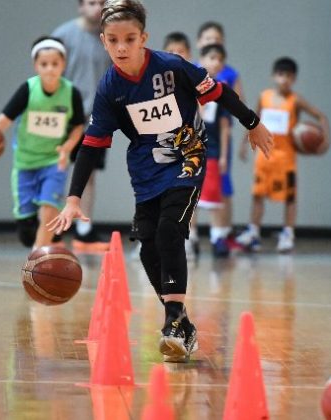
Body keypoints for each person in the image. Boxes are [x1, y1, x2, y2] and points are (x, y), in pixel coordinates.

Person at [47, 0, 273, 362]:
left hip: (188, 159)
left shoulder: (171, 66)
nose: (122, 47)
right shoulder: (109, 89)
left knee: (170, 230)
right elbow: (90, 146)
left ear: (143, 39)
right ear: (104, 41)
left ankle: (171, 322)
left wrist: (253, 123)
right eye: (113, 40)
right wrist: (73, 198)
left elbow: (219, 92)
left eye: (130, 39)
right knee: (149, 246)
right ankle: (182, 323)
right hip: (146, 170)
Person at [0, 36, 85, 250]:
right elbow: (2, 122)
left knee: (49, 206)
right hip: (25, 161)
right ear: (36, 66)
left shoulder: (71, 93)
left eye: (55, 64)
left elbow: (78, 126)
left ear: (64, 64)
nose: (50, 69)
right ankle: (38, 237)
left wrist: (67, 148)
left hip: (54, 160)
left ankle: (37, 257)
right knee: (26, 230)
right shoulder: (27, 90)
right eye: (44, 64)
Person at [236, 57, 330, 253]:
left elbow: (321, 116)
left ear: (293, 79)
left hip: (286, 158)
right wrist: (244, 143)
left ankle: (288, 234)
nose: (284, 79)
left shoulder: (295, 100)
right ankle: (253, 231)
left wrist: (325, 141)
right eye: (280, 75)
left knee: (289, 198)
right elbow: (253, 120)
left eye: (288, 76)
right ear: (273, 76)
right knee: (257, 195)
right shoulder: (265, 96)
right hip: (264, 155)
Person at [52, 0, 112, 252]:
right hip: (63, 117)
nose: (96, 7)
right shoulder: (62, 36)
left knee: (87, 175)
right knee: (56, 172)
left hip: (95, 119)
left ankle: (84, 230)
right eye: (90, 2)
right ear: (80, 6)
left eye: (101, 3)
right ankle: (52, 225)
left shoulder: (110, 38)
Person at [195, 22, 244, 253]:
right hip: (193, 145)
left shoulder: (227, 79)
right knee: (189, 190)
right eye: (207, 38)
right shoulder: (192, 75)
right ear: (199, 44)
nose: (212, 42)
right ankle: (190, 237)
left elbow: (237, 107)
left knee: (220, 188)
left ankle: (222, 234)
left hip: (216, 145)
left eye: (216, 38)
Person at [191, 44, 232, 257]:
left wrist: (225, 155)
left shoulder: (222, 90)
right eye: (212, 58)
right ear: (202, 60)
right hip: (192, 151)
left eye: (220, 59)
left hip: (213, 151)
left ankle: (218, 237)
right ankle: (192, 237)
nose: (216, 62)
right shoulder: (191, 87)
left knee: (214, 197)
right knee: (191, 197)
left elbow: (225, 127)